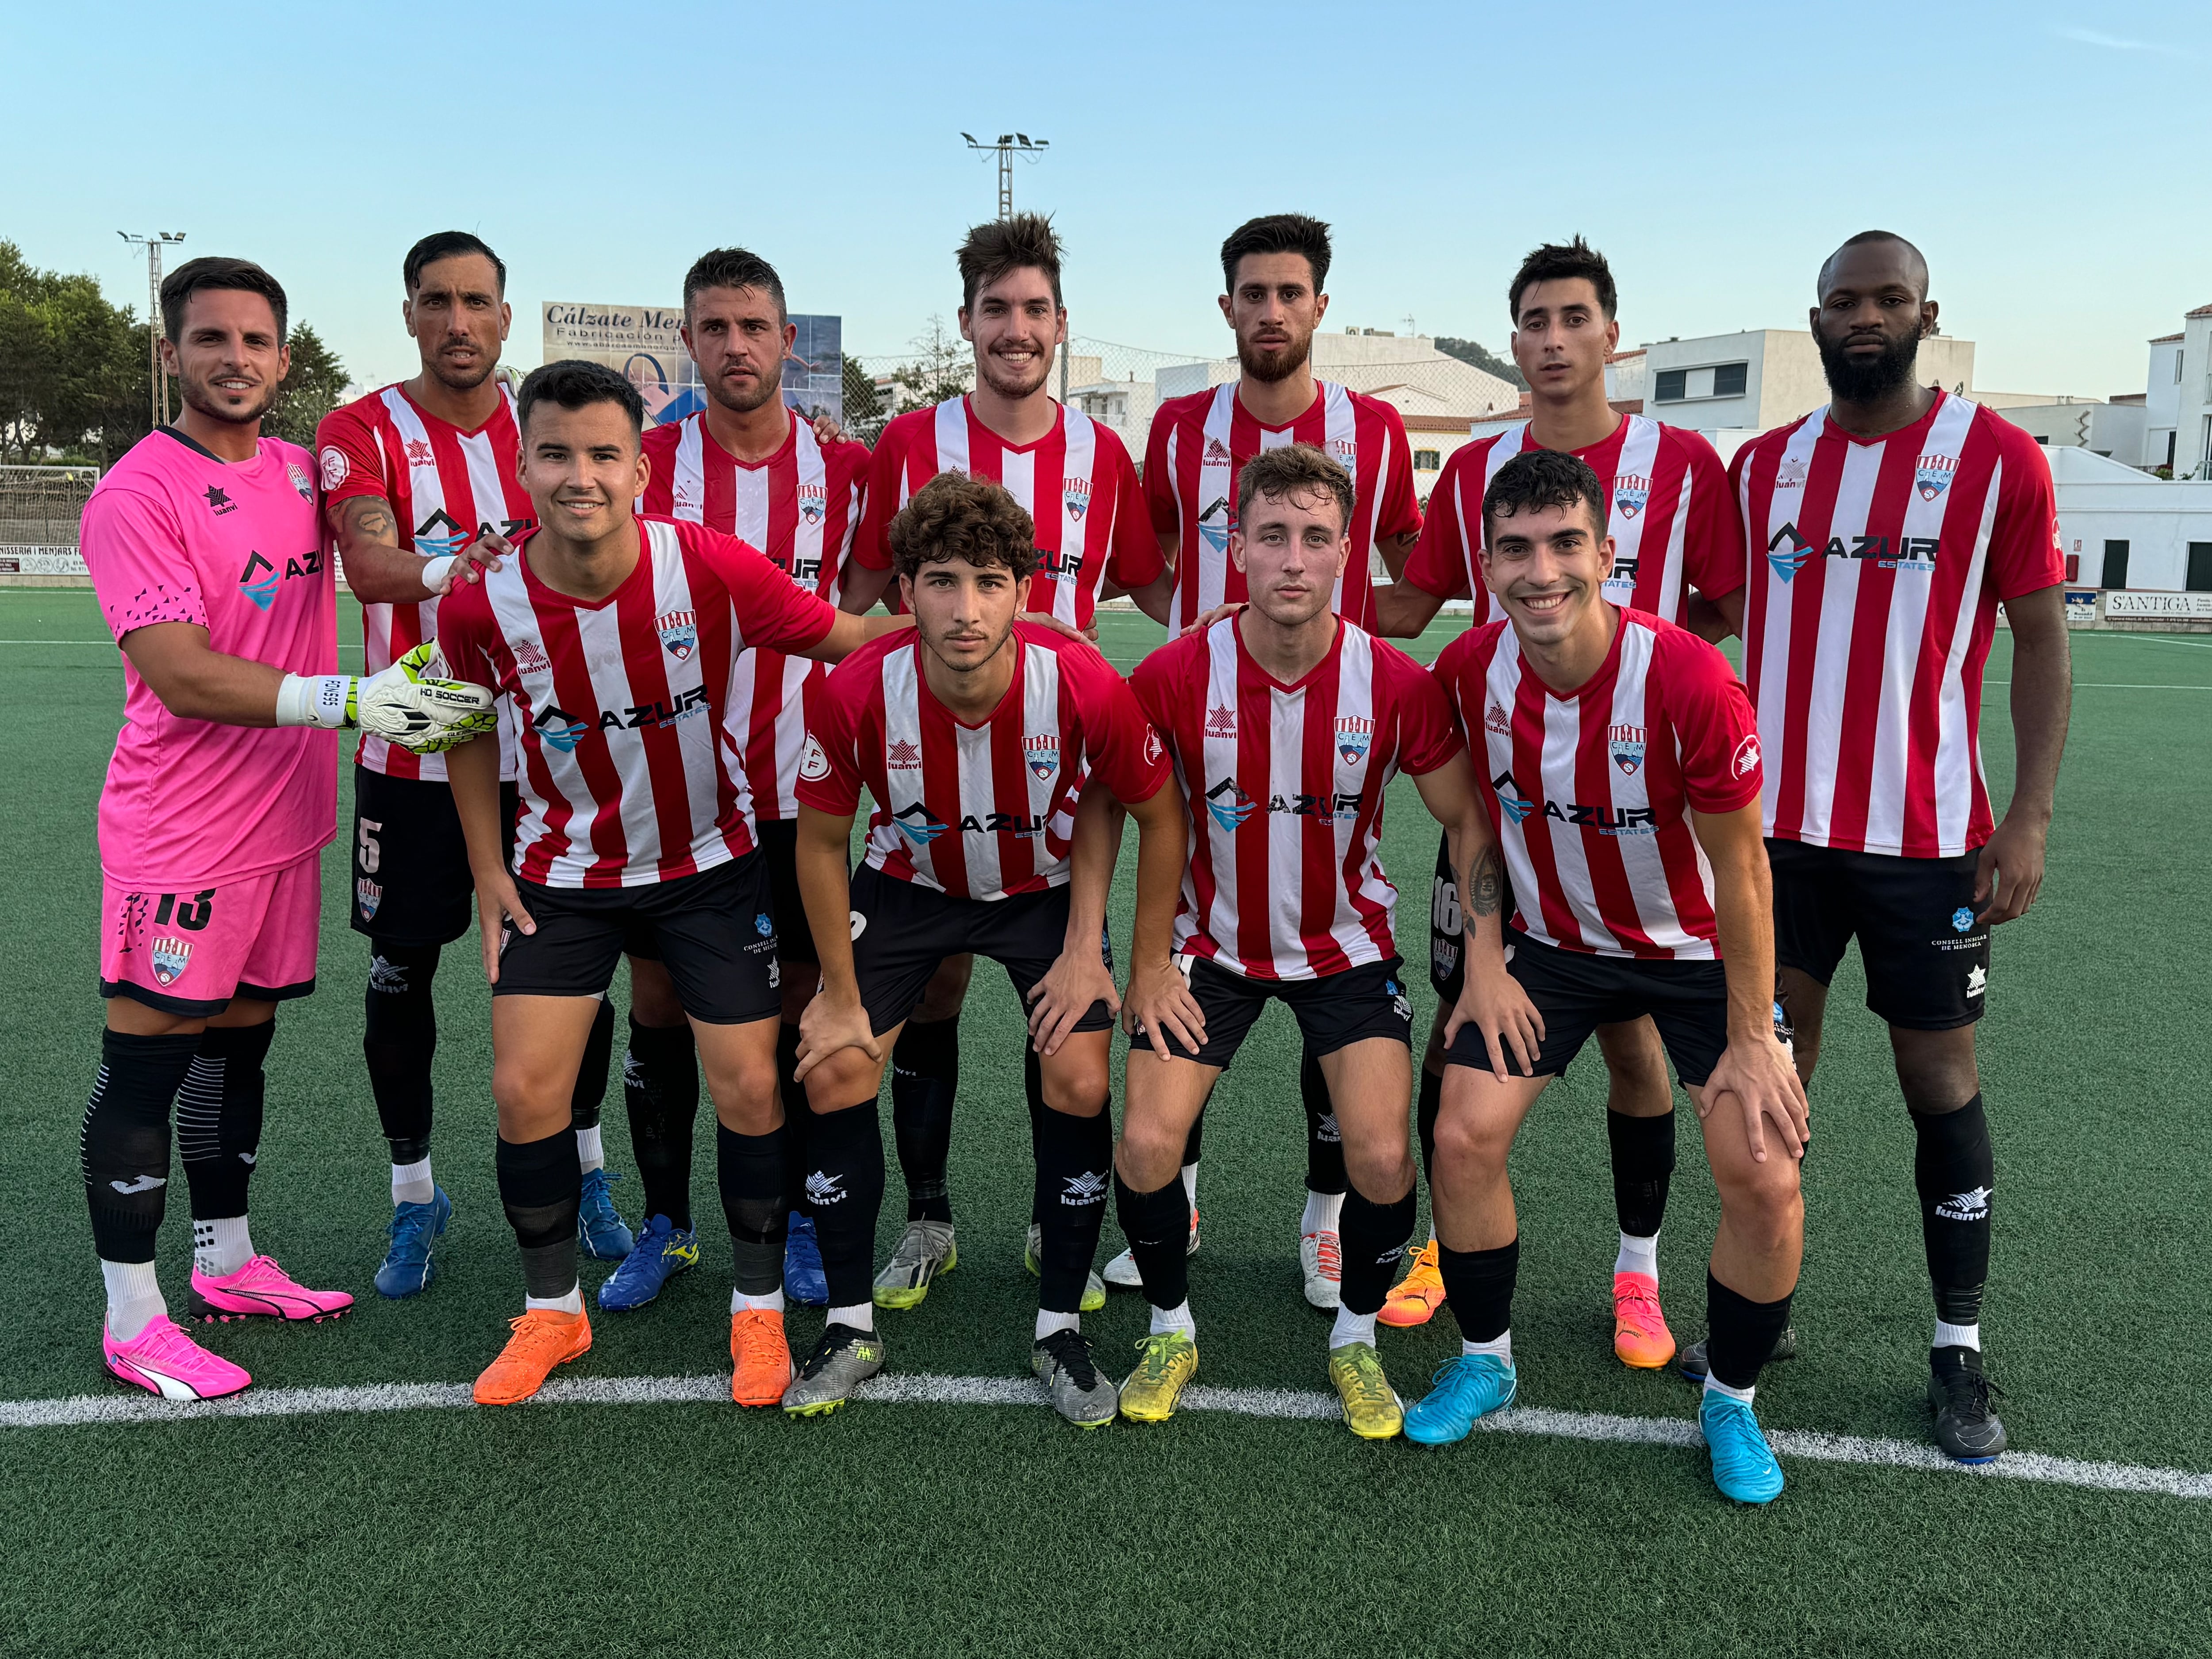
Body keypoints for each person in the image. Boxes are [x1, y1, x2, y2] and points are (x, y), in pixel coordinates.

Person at [434, 360, 900, 1407]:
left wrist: (988, 631)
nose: (579, 476)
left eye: (603, 454)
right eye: (555, 454)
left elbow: (846, 637)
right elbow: (462, 728)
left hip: (708, 866)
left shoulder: (711, 566)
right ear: (523, 465)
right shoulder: (478, 606)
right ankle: (552, 1312)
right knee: (524, 1093)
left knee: (746, 1084)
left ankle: (757, 1315)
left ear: (641, 470)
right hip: (562, 873)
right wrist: (485, 870)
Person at [78, 255, 491, 1399]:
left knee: (237, 1050)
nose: (236, 358)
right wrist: (354, 699)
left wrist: (471, 570)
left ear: (284, 356)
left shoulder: (306, 471)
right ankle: (132, 1313)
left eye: (256, 341)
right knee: (146, 1068)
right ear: (171, 353)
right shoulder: (137, 493)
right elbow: (180, 674)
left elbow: (375, 556)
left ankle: (226, 1259)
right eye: (211, 338)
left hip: (284, 827)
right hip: (181, 834)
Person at [1699, 231, 2071, 1463]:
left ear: (1927, 314)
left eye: (1890, 299)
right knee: (1768, 1079)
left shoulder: (1997, 460)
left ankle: (1958, 1344)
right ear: (1814, 322)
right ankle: (1764, 1306)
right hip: (1780, 841)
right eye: (1845, 301)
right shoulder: (1762, 469)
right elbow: (1701, 616)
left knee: (1939, 1087)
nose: (1867, 317)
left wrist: (2028, 814)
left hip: (1926, 844)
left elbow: (2040, 640)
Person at [1367, 238, 1745, 1364]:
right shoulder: (1481, 466)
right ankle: (1448, 1241)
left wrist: (1637, 714)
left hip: (1641, 825)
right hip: (1510, 817)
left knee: (1637, 1057)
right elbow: (1412, 603)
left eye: (1572, 317)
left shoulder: (1683, 463)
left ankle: (1638, 1274)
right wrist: (1286, 597)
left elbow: (1718, 610)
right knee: (1463, 1018)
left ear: (1610, 333)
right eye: (1531, 320)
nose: (1550, 339)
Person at [1413, 447, 1807, 1505]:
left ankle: (1730, 1398)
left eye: (1563, 545)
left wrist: (1751, 1035)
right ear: (1487, 564)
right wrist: (1487, 963)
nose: (1540, 572)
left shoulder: (1686, 678)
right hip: (1551, 949)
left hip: (1689, 956)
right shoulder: (1469, 672)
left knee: (1765, 1177)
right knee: (1460, 1133)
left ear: (1606, 553)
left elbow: (1743, 872)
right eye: (1514, 550)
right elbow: (1476, 829)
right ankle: (1487, 1358)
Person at [789, 471, 1190, 1425]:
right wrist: (840, 994)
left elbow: (1159, 816)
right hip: (908, 889)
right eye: (939, 581)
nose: (965, 610)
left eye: (987, 582)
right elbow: (818, 843)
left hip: (1035, 893)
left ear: (1023, 588)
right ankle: (850, 1327)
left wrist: (1129, 963)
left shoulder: (1082, 678)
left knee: (1082, 1080)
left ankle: (1058, 1325)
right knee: (835, 1069)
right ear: (904, 590)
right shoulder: (854, 689)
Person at [1113, 444, 1483, 1441]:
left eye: (1316, 539)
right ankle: (1169, 1326)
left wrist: (1482, 958)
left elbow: (1467, 821)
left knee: (1379, 1160)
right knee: (1146, 1143)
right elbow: (1132, 811)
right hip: (1213, 948)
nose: (1292, 559)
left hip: (1346, 952)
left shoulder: (1394, 683)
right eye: (1271, 536)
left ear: (1344, 554)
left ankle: (1355, 1339)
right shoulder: (1174, 673)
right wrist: (1145, 961)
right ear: (1236, 549)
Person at [841, 213, 1167, 1313]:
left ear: (1061, 324)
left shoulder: (1102, 453)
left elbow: (1150, 587)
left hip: (1058, 790)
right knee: (927, 992)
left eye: (1034, 310)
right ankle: (927, 1217)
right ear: (968, 322)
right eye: (995, 310)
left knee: (1060, 1010)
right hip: (927, 776)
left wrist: (1238, 622)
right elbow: (860, 594)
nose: (1015, 330)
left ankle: (1050, 1216)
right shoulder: (905, 445)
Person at [319, 231, 629, 1300]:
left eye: (478, 302)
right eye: (438, 302)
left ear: (506, 315)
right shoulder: (362, 428)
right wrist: (462, 561)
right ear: (409, 312)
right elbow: (365, 561)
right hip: (411, 759)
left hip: (549, 775)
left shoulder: (549, 427)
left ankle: (588, 1173)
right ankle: (415, 1195)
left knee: (568, 980)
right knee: (401, 977)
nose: (459, 322)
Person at [1133, 214, 1426, 1307]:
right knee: (1207, 954)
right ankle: (1184, 1202)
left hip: (1335, 725)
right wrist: (1208, 637)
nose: (1269, 311)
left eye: (1288, 292)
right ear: (1227, 309)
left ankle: (1324, 1222)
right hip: (1214, 721)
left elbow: (1416, 568)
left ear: (1318, 307)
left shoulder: (1379, 430)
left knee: (1320, 947)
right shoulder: (1173, 428)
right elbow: (1145, 563)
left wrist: (1345, 635)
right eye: (1250, 293)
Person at [604, 245, 871, 1316]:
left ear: (786, 340)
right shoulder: (648, 464)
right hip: (673, 789)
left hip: (803, 794)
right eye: (713, 328)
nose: (735, 346)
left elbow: (862, 624)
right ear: (686, 341)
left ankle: (803, 1212)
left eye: (753, 327)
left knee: (804, 1003)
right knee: (661, 1001)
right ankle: (666, 1226)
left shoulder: (845, 473)